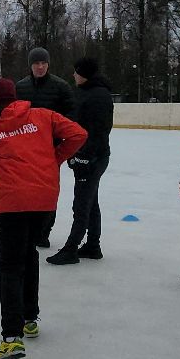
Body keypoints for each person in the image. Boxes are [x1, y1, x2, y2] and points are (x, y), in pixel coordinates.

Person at [0, 77, 87, 359]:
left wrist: (18, 185)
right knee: (29, 254)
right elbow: (78, 135)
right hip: (44, 199)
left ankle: (11, 338)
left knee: (10, 267)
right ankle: (29, 318)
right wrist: (52, 160)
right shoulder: (42, 115)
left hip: (13, 201)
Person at [47, 57, 114, 265]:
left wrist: (84, 157)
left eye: (76, 72)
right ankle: (93, 245)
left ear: (84, 74)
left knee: (82, 204)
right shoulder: (88, 92)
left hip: (92, 157)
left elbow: (97, 131)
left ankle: (71, 249)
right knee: (91, 202)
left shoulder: (97, 96)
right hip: (89, 155)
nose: (73, 75)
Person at [15, 46, 75, 247]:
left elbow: (71, 117)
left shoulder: (61, 87)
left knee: (48, 192)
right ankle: (26, 228)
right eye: (36, 63)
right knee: (26, 190)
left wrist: (59, 138)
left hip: (50, 150)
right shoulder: (20, 87)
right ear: (30, 65)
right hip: (25, 150)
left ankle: (43, 231)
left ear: (48, 64)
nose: (40, 67)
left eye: (43, 63)